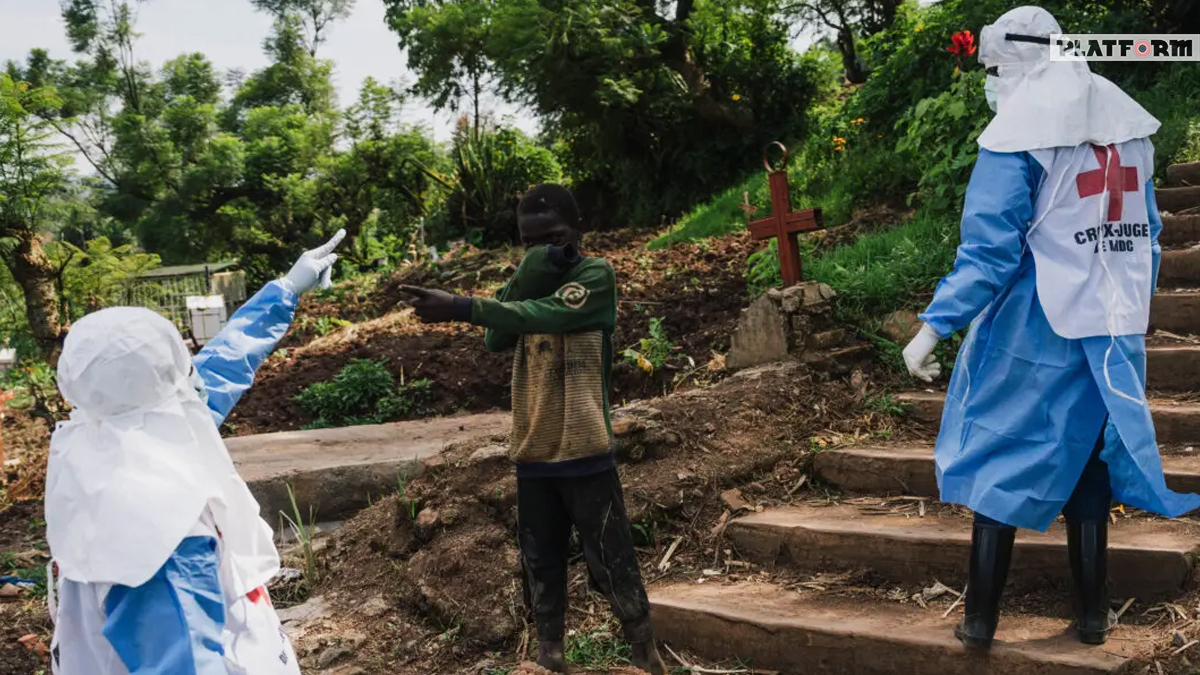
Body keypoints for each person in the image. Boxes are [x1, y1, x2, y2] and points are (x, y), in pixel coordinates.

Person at [901, 5, 1200, 650]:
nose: (990, 81)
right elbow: (1148, 234)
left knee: (997, 451)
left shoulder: (1016, 139)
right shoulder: (1127, 129)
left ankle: (980, 621)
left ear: (1018, 64)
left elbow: (989, 253)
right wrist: (1126, 308)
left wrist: (934, 327)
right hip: (1108, 328)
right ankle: (1093, 618)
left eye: (994, 68)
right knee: (1088, 459)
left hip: (1029, 331)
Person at [44, 231, 344, 675]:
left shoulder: (103, 441)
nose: (192, 375)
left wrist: (283, 291)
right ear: (164, 388)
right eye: (181, 363)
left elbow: (217, 370)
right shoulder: (161, 531)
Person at [402, 184, 666, 675]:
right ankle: (551, 657)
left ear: (577, 231)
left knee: (612, 559)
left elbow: (544, 314)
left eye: (553, 236)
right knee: (541, 566)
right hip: (534, 450)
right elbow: (497, 337)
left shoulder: (594, 275)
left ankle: (645, 655)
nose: (543, 248)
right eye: (530, 241)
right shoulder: (530, 278)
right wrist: (529, 272)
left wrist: (462, 304)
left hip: (585, 446)